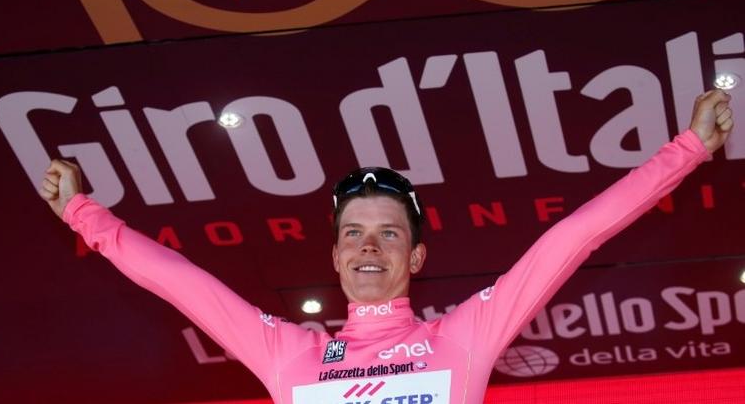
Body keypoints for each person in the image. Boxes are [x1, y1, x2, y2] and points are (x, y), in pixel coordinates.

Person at [40, 90, 733, 403]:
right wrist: (81, 211)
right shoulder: (290, 355)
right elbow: (178, 280)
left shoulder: (461, 339)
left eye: (389, 233)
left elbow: (574, 238)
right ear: (336, 256)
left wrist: (688, 149)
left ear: (416, 258)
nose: (369, 247)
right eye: (354, 234)